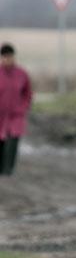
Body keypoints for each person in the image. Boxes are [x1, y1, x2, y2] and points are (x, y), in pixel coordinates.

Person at [0, 43, 33, 176]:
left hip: (16, 115)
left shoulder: (21, 74)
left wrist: (24, 107)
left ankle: (9, 169)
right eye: (5, 57)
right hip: (1, 115)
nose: (8, 59)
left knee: (13, 140)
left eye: (10, 57)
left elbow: (28, 93)